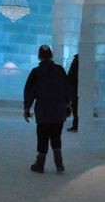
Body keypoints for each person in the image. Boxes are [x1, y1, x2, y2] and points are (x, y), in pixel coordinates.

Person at [23, 45, 72, 173]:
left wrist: (27, 108)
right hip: (58, 111)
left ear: (39, 57)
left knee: (42, 136)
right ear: (51, 55)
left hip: (43, 111)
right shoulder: (60, 70)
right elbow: (67, 88)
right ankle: (59, 163)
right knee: (56, 136)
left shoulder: (36, 72)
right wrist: (67, 104)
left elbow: (29, 91)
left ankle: (40, 164)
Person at [66, 54, 79, 132]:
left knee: (75, 107)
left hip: (74, 88)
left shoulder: (76, 61)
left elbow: (71, 76)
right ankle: (76, 125)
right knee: (76, 107)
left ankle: (75, 126)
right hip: (76, 87)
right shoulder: (79, 61)